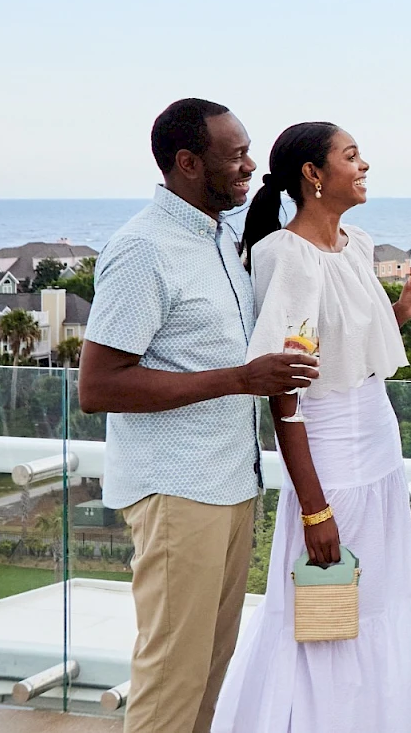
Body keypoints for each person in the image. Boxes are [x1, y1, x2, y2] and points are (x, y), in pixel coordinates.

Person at [78, 98, 317, 733]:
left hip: (232, 485)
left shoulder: (219, 240)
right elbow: (98, 386)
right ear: (188, 163)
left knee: (209, 674)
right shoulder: (142, 249)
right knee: (171, 682)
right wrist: (241, 379)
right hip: (177, 491)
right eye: (235, 155)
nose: (250, 165)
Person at [212, 122, 411, 733]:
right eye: (351, 157)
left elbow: (350, 346)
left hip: (380, 453)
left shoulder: (358, 243)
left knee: (378, 609)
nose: (364, 165)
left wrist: (405, 310)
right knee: (329, 617)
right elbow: (284, 395)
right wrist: (314, 510)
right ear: (314, 176)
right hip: (332, 465)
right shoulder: (285, 257)